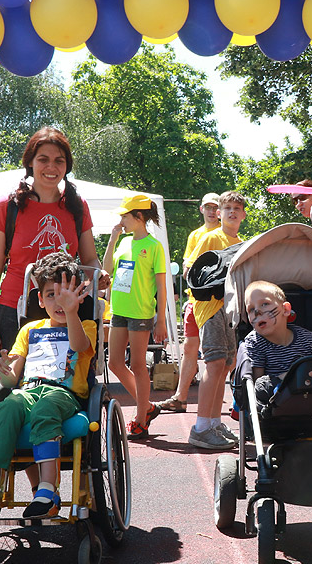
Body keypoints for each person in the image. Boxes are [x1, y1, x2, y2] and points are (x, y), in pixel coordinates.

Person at [0, 252, 96, 520]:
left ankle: (47, 492)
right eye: (51, 295)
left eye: (65, 295)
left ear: (78, 296)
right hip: (27, 390)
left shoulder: (86, 326)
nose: (59, 302)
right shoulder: (29, 330)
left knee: (45, 408)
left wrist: (72, 311)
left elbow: (79, 346)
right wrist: (2, 370)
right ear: (40, 299)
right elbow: (13, 377)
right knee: (6, 407)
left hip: (63, 393)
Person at [0, 127, 106, 358]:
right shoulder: (7, 206)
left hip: (65, 309)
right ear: (30, 163)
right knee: (15, 382)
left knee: (68, 381)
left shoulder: (78, 206)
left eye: (59, 160)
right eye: (43, 159)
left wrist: (97, 275)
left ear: (67, 166)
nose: (51, 167)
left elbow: (89, 259)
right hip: (15, 309)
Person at [103, 195, 168, 438]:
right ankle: (147, 407)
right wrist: (112, 239)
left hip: (141, 313)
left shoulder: (153, 246)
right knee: (115, 363)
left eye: (125, 216)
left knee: (138, 364)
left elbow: (162, 287)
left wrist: (160, 319)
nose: (122, 220)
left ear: (139, 217)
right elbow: (106, 270)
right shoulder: (123, 241)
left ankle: (141, 418)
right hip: (119, 310)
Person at [188, 191, 247, 450]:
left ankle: (213, 421)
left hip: (230, 308)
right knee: (214, 363)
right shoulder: (211, 237)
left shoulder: (243, 242)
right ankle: (200, 427)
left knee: (226, 364)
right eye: (227, 208)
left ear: (243, 214)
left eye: (237, 208)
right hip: (211, 307)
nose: (232, 212)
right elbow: (193, 270)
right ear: (219, 213)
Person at [153, 192, 220, 414]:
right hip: (195, 301)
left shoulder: (226, 234)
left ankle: (214, 406)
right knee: (190, 348)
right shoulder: (195, 235)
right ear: (201, 209)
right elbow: (187, 270)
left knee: (219, 355)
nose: (212, 211)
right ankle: (181, 398)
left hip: (218, 305)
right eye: (208, 207)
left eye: (216, 207)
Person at [243, 281, 312, 410]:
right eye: (251, 309)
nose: (257, 312)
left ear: (286, 310)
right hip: (275, 405)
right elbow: (258, 387)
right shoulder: (254, 342)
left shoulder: (309, 339)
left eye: (265, 304)